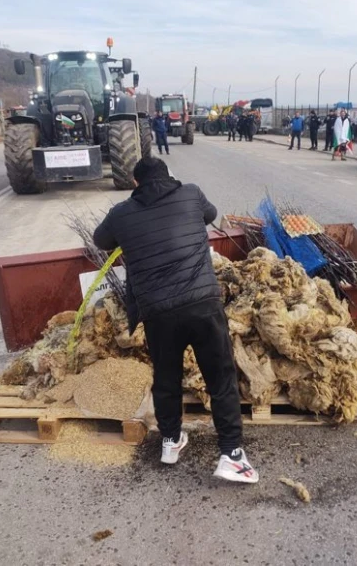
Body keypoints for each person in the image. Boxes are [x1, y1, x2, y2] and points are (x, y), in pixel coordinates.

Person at [92, 157, 258, 484]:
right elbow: (210, 215)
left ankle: (170, 441)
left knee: (166, 377)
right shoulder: (191, 193)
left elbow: (101, 241)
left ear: (136, 184)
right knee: (219, 376)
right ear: (169, 176)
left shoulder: (121, 214)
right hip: (202, 305)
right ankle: (232, 455)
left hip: (159, 313)